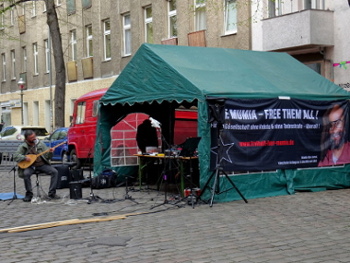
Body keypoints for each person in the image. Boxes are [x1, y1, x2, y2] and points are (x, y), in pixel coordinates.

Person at [13, 130, 59, 202]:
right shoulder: (23, 146)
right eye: (31, 137)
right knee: (26, 174)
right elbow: (15, 156)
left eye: (34, 136)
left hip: (41, 165)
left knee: (54, 172)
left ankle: (52, 193)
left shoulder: (40, 144)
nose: (34, 138)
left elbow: (47, 157)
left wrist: (50, 153)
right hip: (30, 166)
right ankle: (29, 194)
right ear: (27, 139)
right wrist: (24, 158)